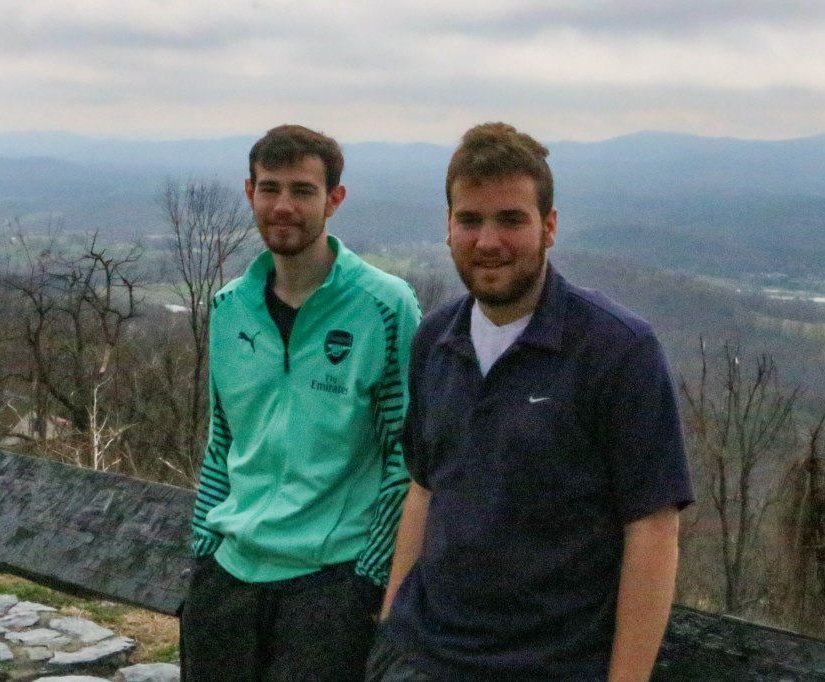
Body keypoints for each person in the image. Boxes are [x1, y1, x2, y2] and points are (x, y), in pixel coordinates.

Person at [369, 122, 694, 682]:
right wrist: (390, 629)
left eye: (511, 219)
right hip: (422, 657)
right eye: (470, 220)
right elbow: (424, 488)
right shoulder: (435, 340)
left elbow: (653, 529)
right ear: (448, 227)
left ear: (549, 226)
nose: (488, 241)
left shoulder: (616, 350)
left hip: (552, 665)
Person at [180, 124, 422, 682]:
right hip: (227, 578)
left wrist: (369, 576)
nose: (283, 205)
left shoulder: (384, 307)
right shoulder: (229, 308)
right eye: (269, 188)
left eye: (302, 190)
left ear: (334, 199)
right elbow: (223, 438)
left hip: (330, 584)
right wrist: (205, 550)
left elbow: (406, 454)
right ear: (250, 193)